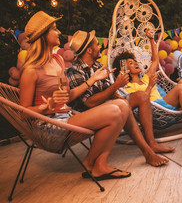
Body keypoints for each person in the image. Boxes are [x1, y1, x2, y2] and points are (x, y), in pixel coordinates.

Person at [20, 11, 131, 181]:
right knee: (115, 112)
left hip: (67, 117)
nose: (58, 32)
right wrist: (45, 106)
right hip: (49, 126)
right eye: (54, 29)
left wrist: (93, 79)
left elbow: (69, 96)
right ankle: (89, 162)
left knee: (123, 105)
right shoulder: (30, 71)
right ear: (43, 35)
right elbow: (23, 112)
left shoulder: (57, 60)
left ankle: (100, 165)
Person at [67, 30, 174, 167]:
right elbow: (89, 103)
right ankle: (148, 152)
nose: (100, 46)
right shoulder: (74, 71)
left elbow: (108, 90)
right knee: (123, 105)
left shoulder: (97, 66)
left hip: (107, 103)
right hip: (89, 114)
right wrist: (115, 86)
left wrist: (115, 92)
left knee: (140, 96)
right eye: (97, 45)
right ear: (89, 50)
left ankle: (152, 143)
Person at [113, 29, 182, 138]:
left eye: (134, 61)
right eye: (131, 63)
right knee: (181, 88)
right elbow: (140, 102)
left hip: (165, 105)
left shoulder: (146, 78)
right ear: (124, 69)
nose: (136, 63)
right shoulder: (127, 87)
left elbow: (155, 60)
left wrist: (151, 40)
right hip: (155, 111)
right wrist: (150, 86)